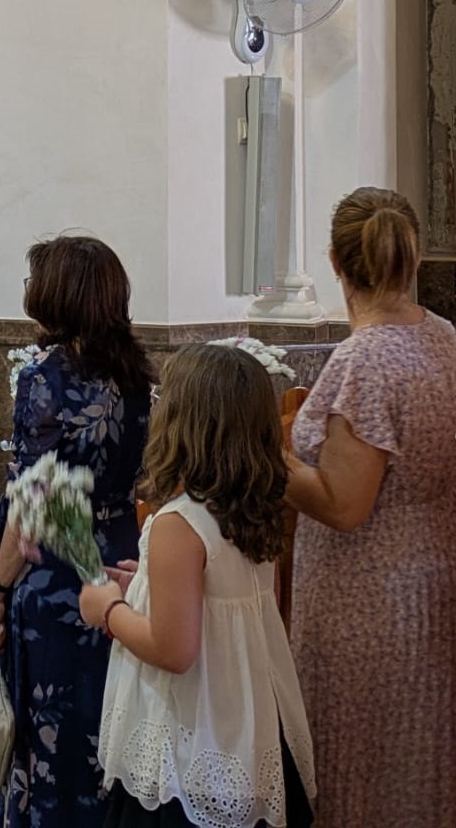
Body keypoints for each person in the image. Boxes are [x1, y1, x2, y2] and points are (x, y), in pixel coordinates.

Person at [284, 188, 456, 826]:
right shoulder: (439, 333)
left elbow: (345, 504)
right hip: (447, 565)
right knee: (437, 753)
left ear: (334, 260)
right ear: (413, 259)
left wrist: (268, 461)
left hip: (374, 593)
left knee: (374, 763)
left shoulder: (364, 358)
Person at [82, 343, 317, 828]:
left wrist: (108, 609)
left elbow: (174, 649)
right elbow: (229, 604)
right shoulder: (252, 507)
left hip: (189, 745)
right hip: (244, 729)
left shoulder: (179, 522)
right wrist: (145, 583)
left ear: (182, 424)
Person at [0, 235, 153, 828]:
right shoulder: (137, 378)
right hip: (122, 570)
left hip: (58, 579)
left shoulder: (45, 380)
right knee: (109, 728)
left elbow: (34, 501)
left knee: (50, 738)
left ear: (57, 293)